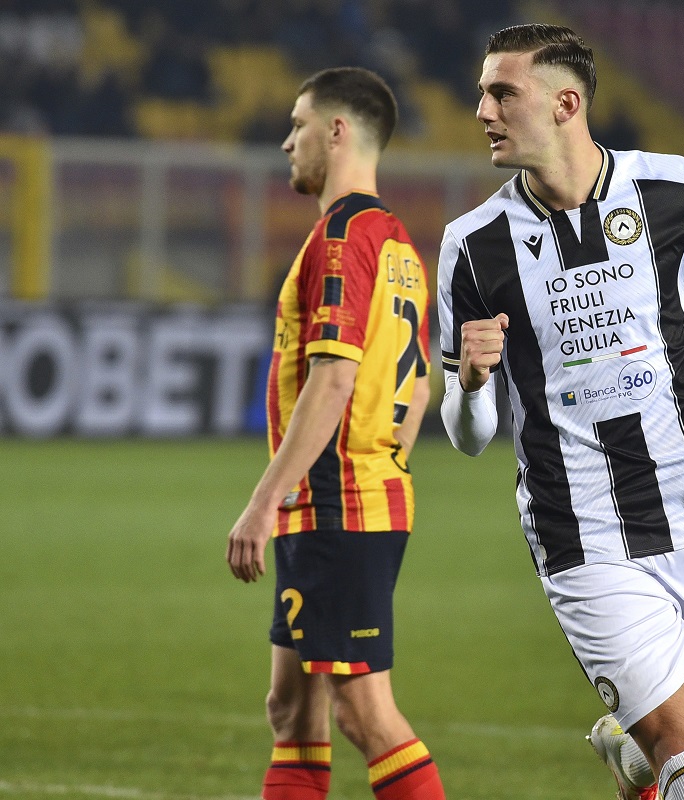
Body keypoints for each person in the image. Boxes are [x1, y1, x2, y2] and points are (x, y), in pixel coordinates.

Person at [438, 23, 684, 800]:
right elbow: (468, 438)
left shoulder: (677, 191)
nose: (482, 111)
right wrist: (469, 383)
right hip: (582, 529)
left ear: (566, 103)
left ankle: (629, 753)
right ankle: (657, 748)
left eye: (503, 92)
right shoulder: (473, 247)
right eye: (481, 92)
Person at [225, 67, 444, 800]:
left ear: (338, 131)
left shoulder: (343, 236)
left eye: (298, 125)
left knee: (364, 714)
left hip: (333, 506)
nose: (288, 142)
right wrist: (387, 463)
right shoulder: (398, 246)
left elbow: (335, 378)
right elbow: (421, 381)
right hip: (352, 500)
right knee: (292, 709)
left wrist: (264, 501)